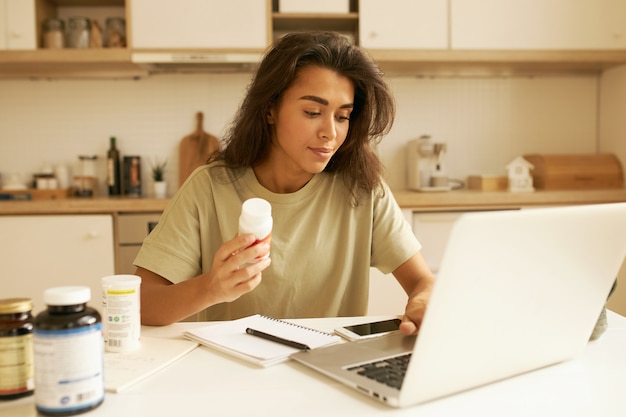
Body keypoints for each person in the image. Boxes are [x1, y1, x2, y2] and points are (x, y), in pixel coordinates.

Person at [134, 31, 435, 335]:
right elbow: (142, 303)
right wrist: (210, 288)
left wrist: (424, 302)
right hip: (236, 371)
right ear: (270, 109)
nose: (330, 132)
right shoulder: (210, 187)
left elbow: (423, 282)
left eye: (343, 117)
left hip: (330, 369)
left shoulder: (362, 189)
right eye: (313, 112)